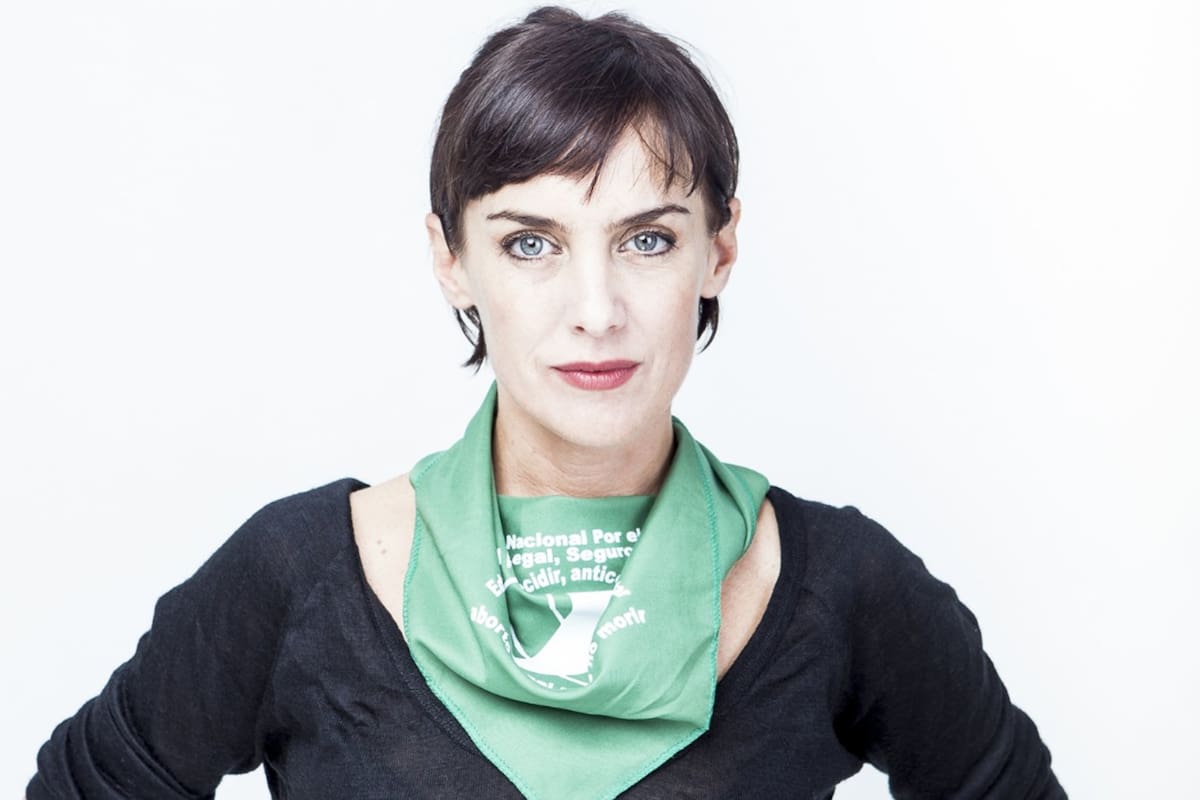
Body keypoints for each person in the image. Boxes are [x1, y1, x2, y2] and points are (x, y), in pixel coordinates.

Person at [26, 6, 1066, 799]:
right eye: (531, 243)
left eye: (647, 239)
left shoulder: (844, 586)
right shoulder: (298, 574)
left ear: (720, 248)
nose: (596, 310)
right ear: (452, 260)